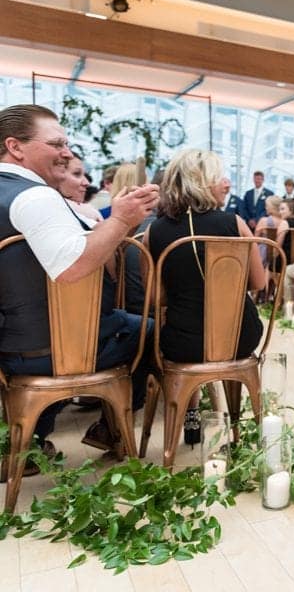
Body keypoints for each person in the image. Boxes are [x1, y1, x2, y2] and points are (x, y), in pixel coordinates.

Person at [0, 104, 157, 454]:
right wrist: (119, 222)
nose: (66, 152)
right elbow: (71, 268)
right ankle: (113, 430)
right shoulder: (34, 196)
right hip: (53, 350)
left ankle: (28, 443)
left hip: (12, 346)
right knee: (149, 329)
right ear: (15, 147)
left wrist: (119, 220)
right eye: (56, 144)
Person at [144, 148, 265, 364]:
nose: (226, 184)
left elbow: (155, 298)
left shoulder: (154, 232)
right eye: (218, 178)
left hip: (184, 340)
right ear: (200, 182)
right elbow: (258, 282)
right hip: (240, 336)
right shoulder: (234, 223)